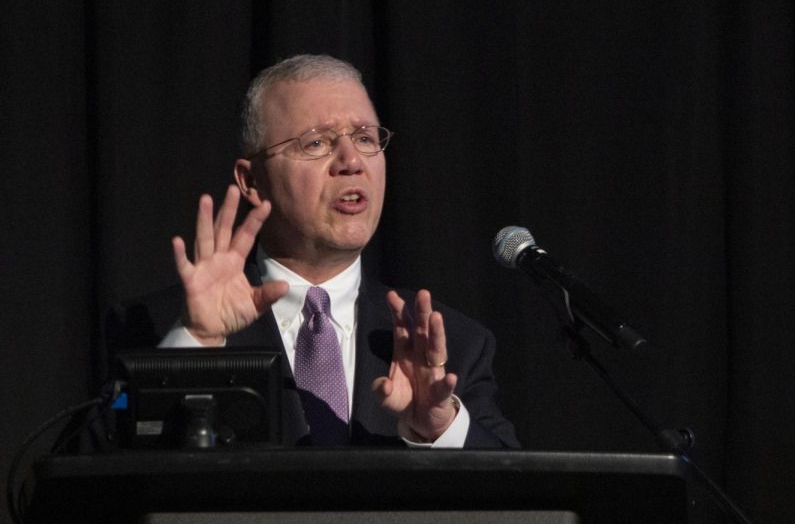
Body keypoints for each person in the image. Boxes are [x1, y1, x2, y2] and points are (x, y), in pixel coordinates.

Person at [106, 54, 518, 448]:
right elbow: (81, 482)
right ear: (251, 181)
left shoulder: (450, 346)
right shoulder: (153, 328)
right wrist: (194, 343)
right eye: (316, 142)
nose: (351, 161)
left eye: (365, 138)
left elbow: (522, 503)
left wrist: (440, 427)